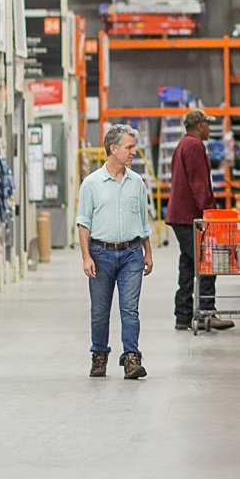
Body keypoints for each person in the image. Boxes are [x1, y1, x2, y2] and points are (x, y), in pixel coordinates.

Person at [75, 123, 157, 379]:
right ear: (113, 149)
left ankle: (132, 358)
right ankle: (99, 354)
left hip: (132, 253)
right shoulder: (91, 184)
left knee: (130, 309)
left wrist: (148, 252)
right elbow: (83, 222)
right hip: (101, 254)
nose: (134, 151)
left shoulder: (137, 183)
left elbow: (143, 222)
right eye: (129, 147)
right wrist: (86, 256)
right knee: (100, 310)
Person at [167, 109, 227, 331]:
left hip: (181, 216)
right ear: (199, 125)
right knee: (206, 262)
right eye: (207, 125)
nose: (209, 129)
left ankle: (183, 315)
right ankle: (207, 313)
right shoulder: (194, 146)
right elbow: (199, 183)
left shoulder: (184, 144)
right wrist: (210, 212)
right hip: (189, 216)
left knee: (189, 263)